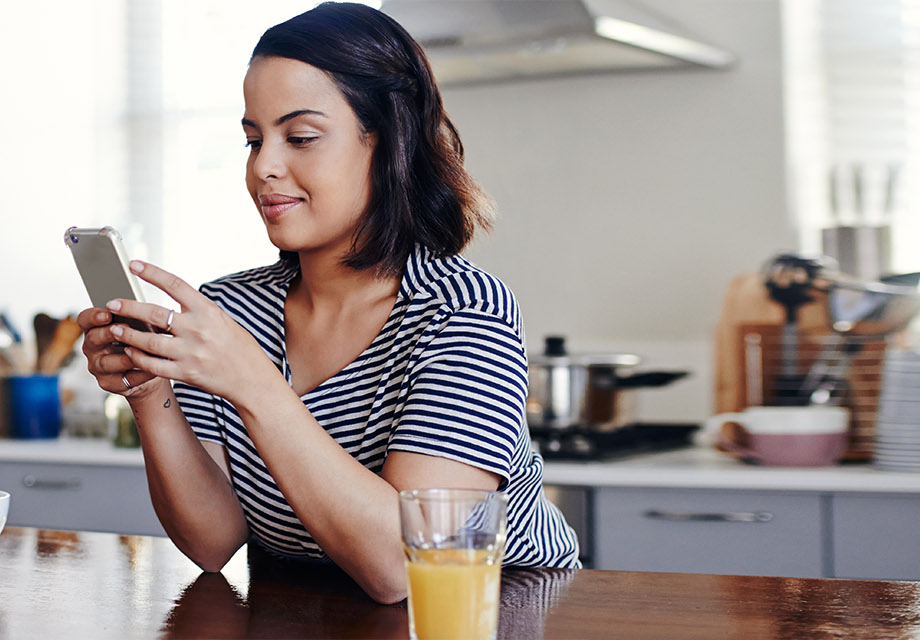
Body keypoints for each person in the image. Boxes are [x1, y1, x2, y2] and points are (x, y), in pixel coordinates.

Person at [77, 2, 579, 604]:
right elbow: (212, 542)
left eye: (302, 137)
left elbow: (408, 569)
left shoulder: (463, 308)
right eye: (253, 140)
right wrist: (148, 390)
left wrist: (253, 383)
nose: (264, 167)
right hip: (319, 615)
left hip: (493, 611)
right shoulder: (232, 310)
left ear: (387, 140)